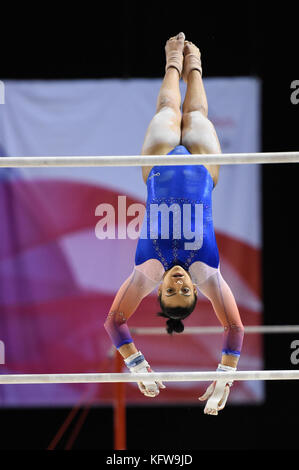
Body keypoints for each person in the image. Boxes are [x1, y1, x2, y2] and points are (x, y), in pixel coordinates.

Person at [104, 33, 244, 415]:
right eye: (186, 291)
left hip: (158, 166)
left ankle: (171, 59)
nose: (179, 283)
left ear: (160, 290)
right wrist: (225, 375)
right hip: (203, 169)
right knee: (197, 115)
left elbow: (114, 321)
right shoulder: (207, 272)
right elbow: (234, 329)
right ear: (197, 291)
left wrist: (135, 363)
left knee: (168, 106)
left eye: (171, 291)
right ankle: (194, 62)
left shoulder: (146, 271)